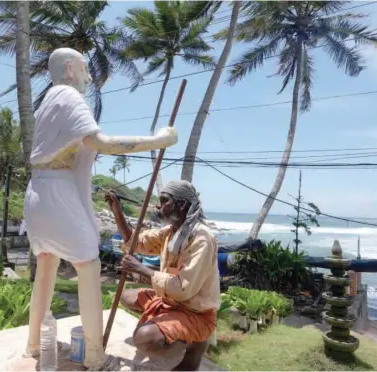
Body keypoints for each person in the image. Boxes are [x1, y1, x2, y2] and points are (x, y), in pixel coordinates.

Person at [21, 47, 178, 370]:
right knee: (89, 266)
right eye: (83, 68)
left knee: (46, 268)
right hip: (57, 193)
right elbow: (103, 144)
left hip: (37, 193)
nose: (88, 76)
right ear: (68, 69)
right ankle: (95, 355)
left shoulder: (47, 102)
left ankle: (34, 343)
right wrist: (159, 140)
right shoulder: (68, 96)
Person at [105, 180, 221, 371]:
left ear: (182, 205)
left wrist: (142, 269)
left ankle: (196, 344)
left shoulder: (201, 238)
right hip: (171, 301)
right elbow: (136, 242)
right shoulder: (171, 231)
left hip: (195, 311)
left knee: (144, 339)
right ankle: (168, 328)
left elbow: (183, 289)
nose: (159, 206)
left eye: (164, 201)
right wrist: (117, 212)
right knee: (126, 296)